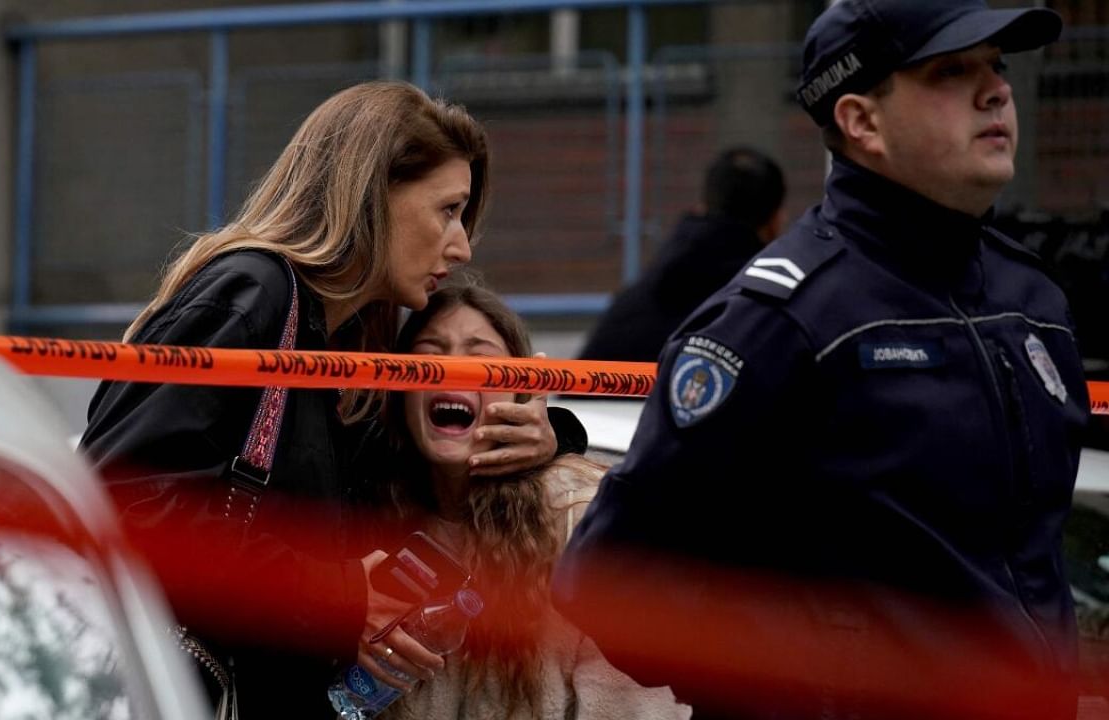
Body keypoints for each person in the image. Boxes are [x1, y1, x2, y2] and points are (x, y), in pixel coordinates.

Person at [553, 2, 1089, 719]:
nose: (995, 90)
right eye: (951, 71)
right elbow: (608, 580)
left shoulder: (1033, 302)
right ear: (861, 121)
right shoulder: (781, 319)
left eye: (997, 66)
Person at [79, 81, 561, 718]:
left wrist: (551, 433)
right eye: (447, 210)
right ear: (374, 195)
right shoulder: (253, 292)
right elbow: (125, 505)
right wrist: (337, 597)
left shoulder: (344, 335)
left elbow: (406, 462)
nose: (462, 246)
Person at [365, 283, 689, 720]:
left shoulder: (580, 519)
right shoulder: (369, 513)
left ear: (522, 394)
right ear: (400, 392)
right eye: (430, 355)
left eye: (481, 361)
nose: (453, 371)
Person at [579, 147, 786, 363]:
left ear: (702, 206)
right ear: (774, 221)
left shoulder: (669, 265)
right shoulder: (760, 296)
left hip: (580, 392)